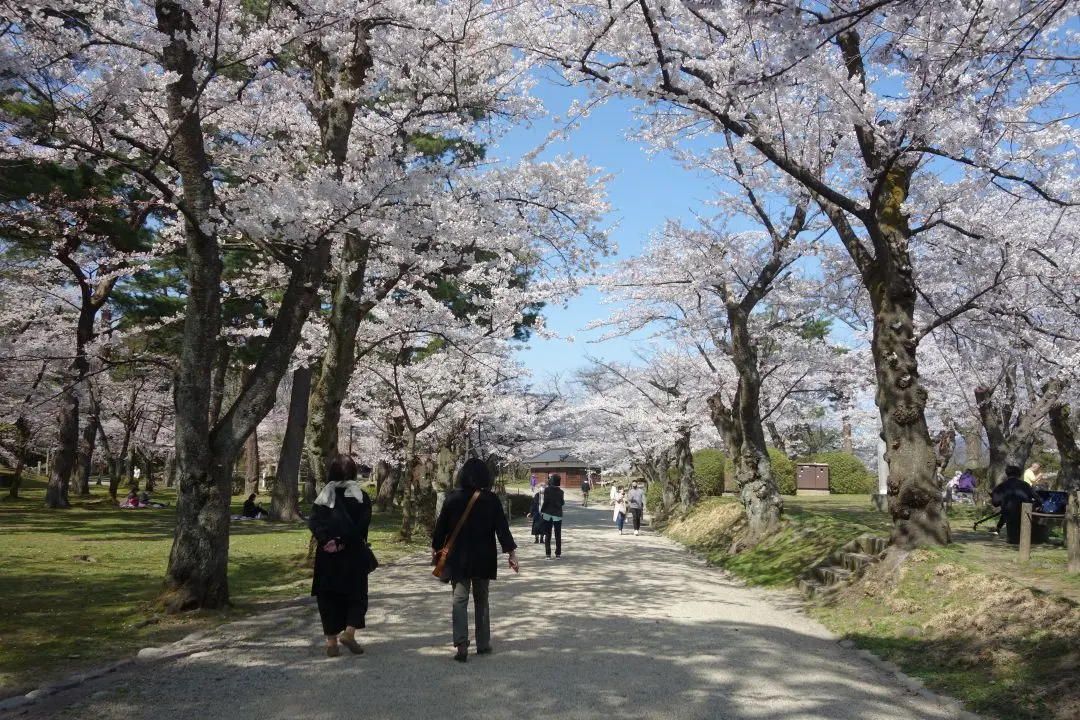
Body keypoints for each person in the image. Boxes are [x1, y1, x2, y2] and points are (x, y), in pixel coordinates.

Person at [431, 458, 518, 662]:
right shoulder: (491, 499)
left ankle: (461, 644)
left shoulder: (452, 498)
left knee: (459, 600)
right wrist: (511, 554)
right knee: (482, 599)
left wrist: (435, 548)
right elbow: (502, 529)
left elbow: (440, 527)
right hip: (483, 556)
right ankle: (483, 643)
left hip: (458, 557)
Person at [309, 455, 372, 657]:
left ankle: (331, 643)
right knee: (357, 595)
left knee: (327, 597)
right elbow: (362, 526)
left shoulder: (323, 497)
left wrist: (326, 540)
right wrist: (342, 541)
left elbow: (314, 522)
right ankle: (349, 632)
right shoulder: (361, 497)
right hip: (353, 553)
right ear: (353, 472)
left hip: (326, 556)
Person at [991, 465, 1038, 544]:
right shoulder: (1025, 485)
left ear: (1007, 474)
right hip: (1024, 514)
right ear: (1019, 474)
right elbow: (1037, 498)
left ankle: (1004, 532)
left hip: (1008, 514)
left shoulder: (1001, 486)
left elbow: (995, 503)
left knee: (1008, 508)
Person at [540, 473, 565, 559]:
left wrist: (542, 510)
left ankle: (548, 554)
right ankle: (558, 554)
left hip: (547, 514)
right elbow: (562, 503)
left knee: (548, 534)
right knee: (558, 534)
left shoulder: (547, 490)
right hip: (557, 514)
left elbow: (545, 502)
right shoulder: (561, 492)